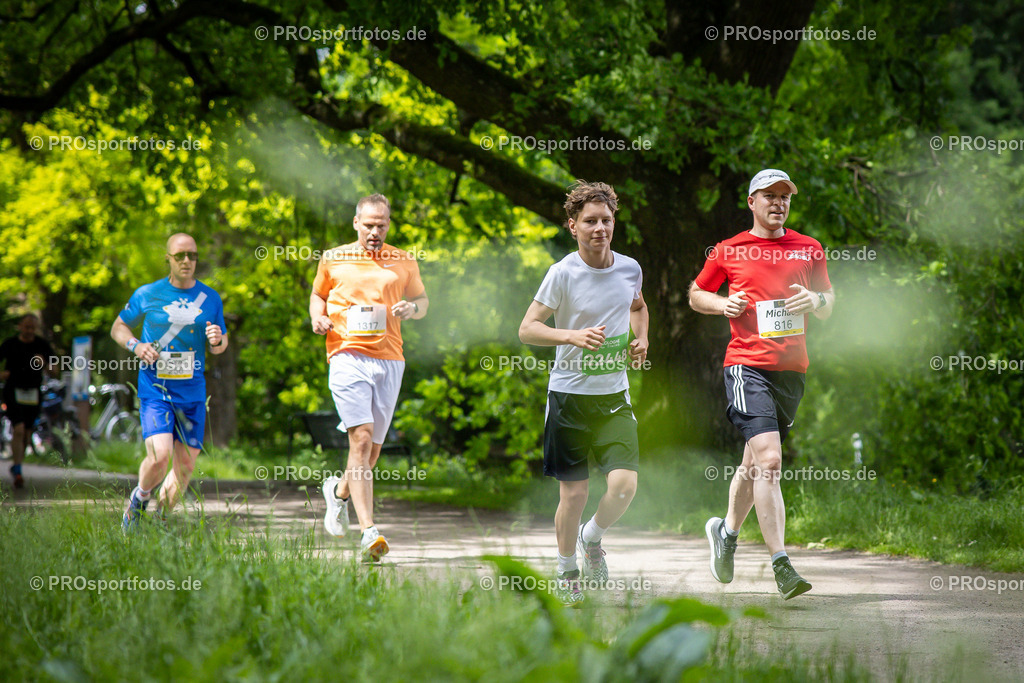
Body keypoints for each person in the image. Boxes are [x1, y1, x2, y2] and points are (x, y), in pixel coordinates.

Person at [689, 169, 834, 600]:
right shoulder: (728, 250)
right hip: (745, 366)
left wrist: (817, 301)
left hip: (792, 371)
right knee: (770, 459)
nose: (778, 203)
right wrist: (721, 303)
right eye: (769, 196)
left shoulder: (809, 248)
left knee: (754, 463)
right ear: (751, 201)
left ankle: (726, 533)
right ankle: (782, 565)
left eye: (785, 196)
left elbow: (829, 304)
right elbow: (696, 294)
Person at [519, 181, 649, 605]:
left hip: (613, 396)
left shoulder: (630, 268)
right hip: (569, 398)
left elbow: (638, 306)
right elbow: (528, 330)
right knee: (573, 494)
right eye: (590, 221)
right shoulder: (562, 273)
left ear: (615, 223)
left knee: (624, 485)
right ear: (572, 226)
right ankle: (566, 570)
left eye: (606, 220)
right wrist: (571, 336)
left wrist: (642, 338)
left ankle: (591, 538)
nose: (599, 228)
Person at [312, 194, 428, 562]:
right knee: (360, 439)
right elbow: (318, 296)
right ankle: (368, 531)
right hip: (346, 354)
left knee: (371, 451)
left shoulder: (403, 261)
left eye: (381, 225)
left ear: (388, 225)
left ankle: (339, 492)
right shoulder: (333, 258)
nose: (375, 231)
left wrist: (413, 308)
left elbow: (423, 302)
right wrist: (317, 317)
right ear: (356, 223)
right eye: (369, 224)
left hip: (390, 359)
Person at [111, 233, 228, 531]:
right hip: (156, 390)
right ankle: (139, 500)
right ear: (168, 259)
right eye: (180, 256)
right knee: (160, 456)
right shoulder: (148, 294)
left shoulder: (210, 298)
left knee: (186, 466)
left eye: (192, 255)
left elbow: (219, 343)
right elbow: (119, 327)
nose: (187, 261)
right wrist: (136, 346)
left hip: (192, 393)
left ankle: (160, 524)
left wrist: (218, 339)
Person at [0, 314, 58, 488]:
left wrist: (45, 365)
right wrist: (2, 375)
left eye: (33, 328)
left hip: (33, 393)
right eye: (26, 327)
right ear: (20, 327)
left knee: (26, 433)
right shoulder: (10, 344)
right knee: (17, 429)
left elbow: (55, 371)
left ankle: (17, 464)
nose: (29, 331)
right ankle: (18, 470)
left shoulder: (42, 345)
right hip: (13, 391)